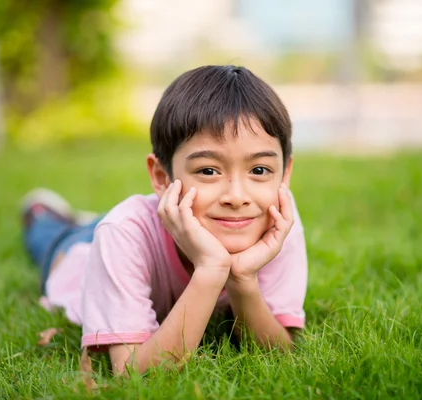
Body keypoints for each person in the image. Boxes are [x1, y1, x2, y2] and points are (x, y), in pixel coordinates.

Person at [21, 65, 308, 375]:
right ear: (161, 176)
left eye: (259, 170)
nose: (237, 197)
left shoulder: (274, 220)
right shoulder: (121, 233)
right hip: (79, 254)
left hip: (164, 221)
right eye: (208, 171)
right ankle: (44, 214)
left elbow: (278, 351)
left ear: (285, 174)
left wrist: (241, 278)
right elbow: (132, 373)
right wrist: (211, 270)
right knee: (50, 237)